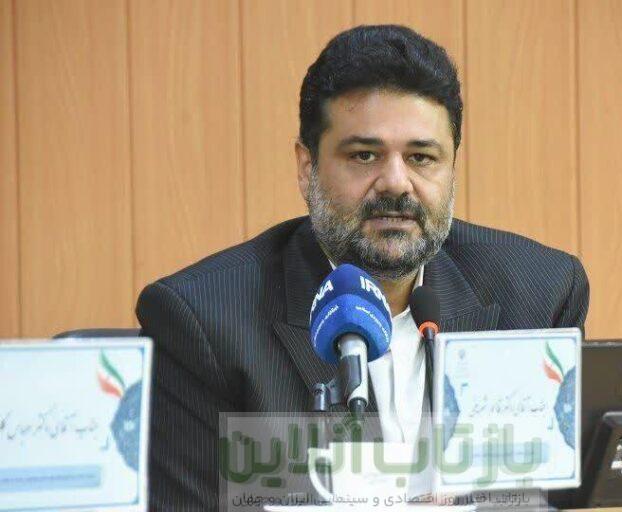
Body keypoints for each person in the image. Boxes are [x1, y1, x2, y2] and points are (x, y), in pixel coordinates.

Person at [136, 24, 589, 510]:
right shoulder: (205, 322)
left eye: (421, 157)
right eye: (365, 155)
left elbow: (549, 495)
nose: (396, 182)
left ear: (452, 167)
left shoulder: (537, 296)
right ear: (307, 167)